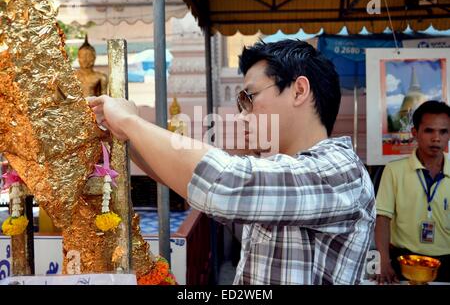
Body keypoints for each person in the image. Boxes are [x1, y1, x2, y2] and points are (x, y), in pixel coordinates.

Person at [87, 39, 375, 284]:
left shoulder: (339, 171)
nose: (241, 115)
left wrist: (129, 121)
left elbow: (225, 182)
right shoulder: (280, 167)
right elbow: (184, 178)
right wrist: (123, 133)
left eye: (249, 97)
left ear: (299, 90)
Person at [375, 100, 450, 284]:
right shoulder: (394, 170)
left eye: (443, 131)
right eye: (429, 131)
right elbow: (382, 218)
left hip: (447, 262)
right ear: (415, 133)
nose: (436, 138)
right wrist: (383, 261)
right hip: (403, 262)